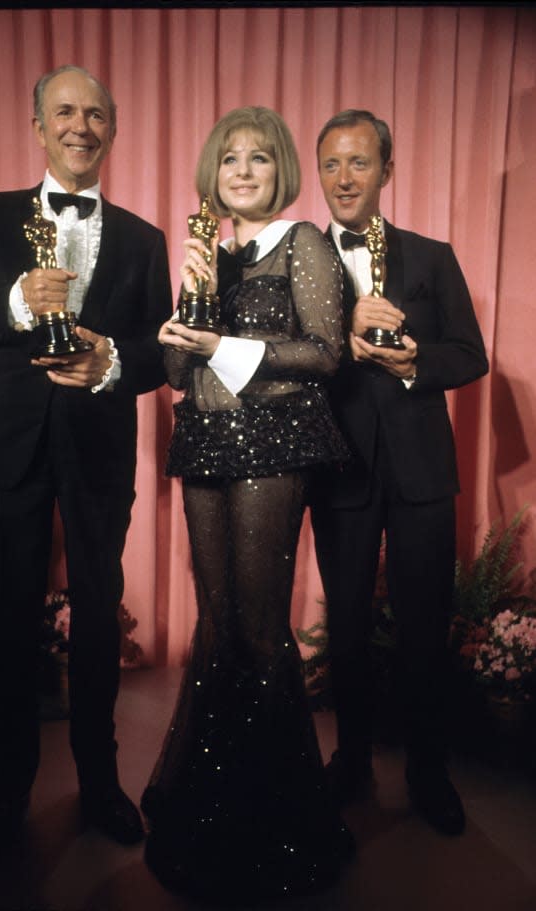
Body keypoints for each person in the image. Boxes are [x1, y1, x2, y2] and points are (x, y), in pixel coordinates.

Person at [0, 65, 172, 868]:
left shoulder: (144, 239)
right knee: (6, 615)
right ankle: (10, 790)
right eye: (65, 111)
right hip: (8, 445)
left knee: (100, 613)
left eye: (95, 113)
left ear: (112, 128)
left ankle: (101, 783)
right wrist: (12, 303)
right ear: (38, 126)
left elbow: (156, 356)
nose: (81, 125)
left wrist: (109, 362)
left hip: (99, 446)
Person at [140, 106, 353, 903]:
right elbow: (170, 366)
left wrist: (221, 347)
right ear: (213, 173)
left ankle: (280, 822)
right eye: (230, 159)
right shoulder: (211, 254)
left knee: (263, 632)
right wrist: (194, 290)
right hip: (204, 443)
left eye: (258, 159)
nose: (242, 170)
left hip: (275, 443)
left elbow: (325, 354)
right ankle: (211, 811)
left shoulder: (303, 244)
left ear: (280, 171)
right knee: (221, 625)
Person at [310, 109, 489, 836]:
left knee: (423, 627)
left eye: (358, 163)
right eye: (331, 165)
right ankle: (350, 758)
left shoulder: (433, 255)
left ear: (388, 170)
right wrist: (341, 344)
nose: (344, 178)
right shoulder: (300, 261)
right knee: (345, 627)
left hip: (422, 471)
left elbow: (470, 353)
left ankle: (427, 768)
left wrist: (417, 361)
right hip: (339, 467)